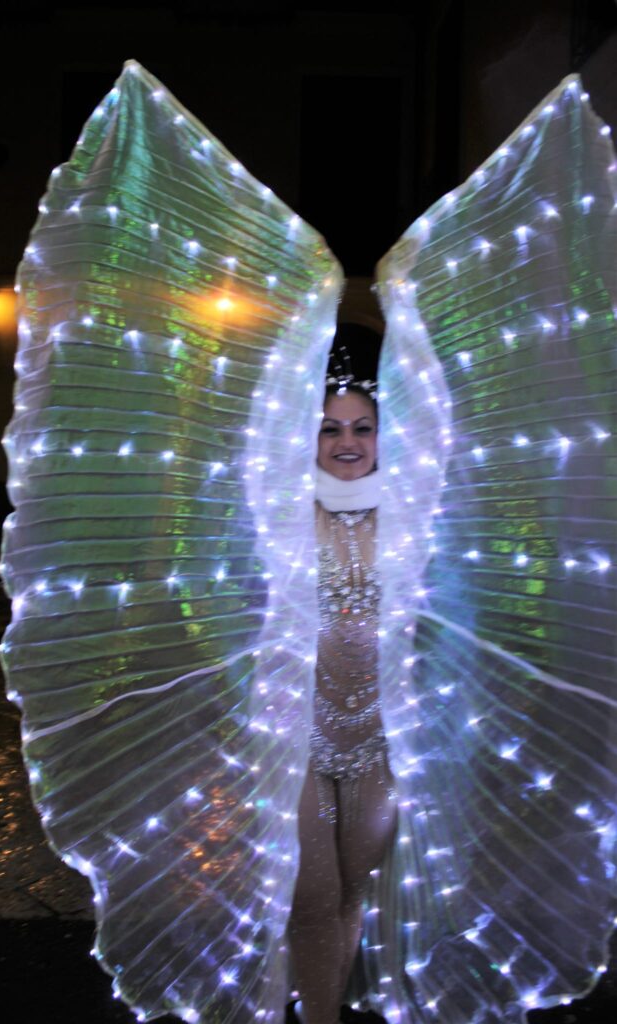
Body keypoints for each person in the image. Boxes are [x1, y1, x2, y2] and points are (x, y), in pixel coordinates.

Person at [288, 329, 399, 1024]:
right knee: (312, 898)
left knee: (352, 891)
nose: (347, 442)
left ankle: (315, 1001)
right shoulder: (282, 514)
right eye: (330, 429)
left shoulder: (415, 517)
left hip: (376, 744)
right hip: (294, 742)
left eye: (361, 427)